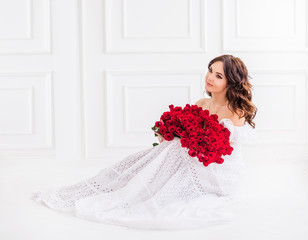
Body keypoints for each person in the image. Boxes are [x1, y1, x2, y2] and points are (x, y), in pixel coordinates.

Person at [31, 54, 258, 230]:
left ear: (231, 82)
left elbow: (221, 149)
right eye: (210, 70)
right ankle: (127, 182)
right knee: (171, 147)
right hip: (196, 158)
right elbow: (189, 134)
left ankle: (144, 188)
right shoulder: (201, 103)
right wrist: (170, 131)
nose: (210, 77)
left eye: (218, 75)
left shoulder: (235, 111)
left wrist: (184, 140)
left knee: (177, 148)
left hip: (220, 171)